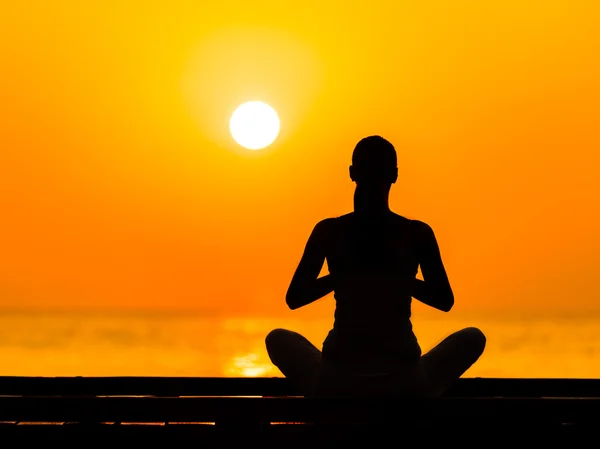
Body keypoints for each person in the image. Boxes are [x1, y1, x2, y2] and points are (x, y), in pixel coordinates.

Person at [265, 136, 486, 397]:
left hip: (336, 380)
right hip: (404, 381)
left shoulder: (329, 231)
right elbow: (445, 300)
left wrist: (340, 277)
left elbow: (294, 298)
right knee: (473, 337)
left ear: (352, 173)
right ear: (394, 175)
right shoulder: (416, 233)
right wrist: (398, 278)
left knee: (277, 338)